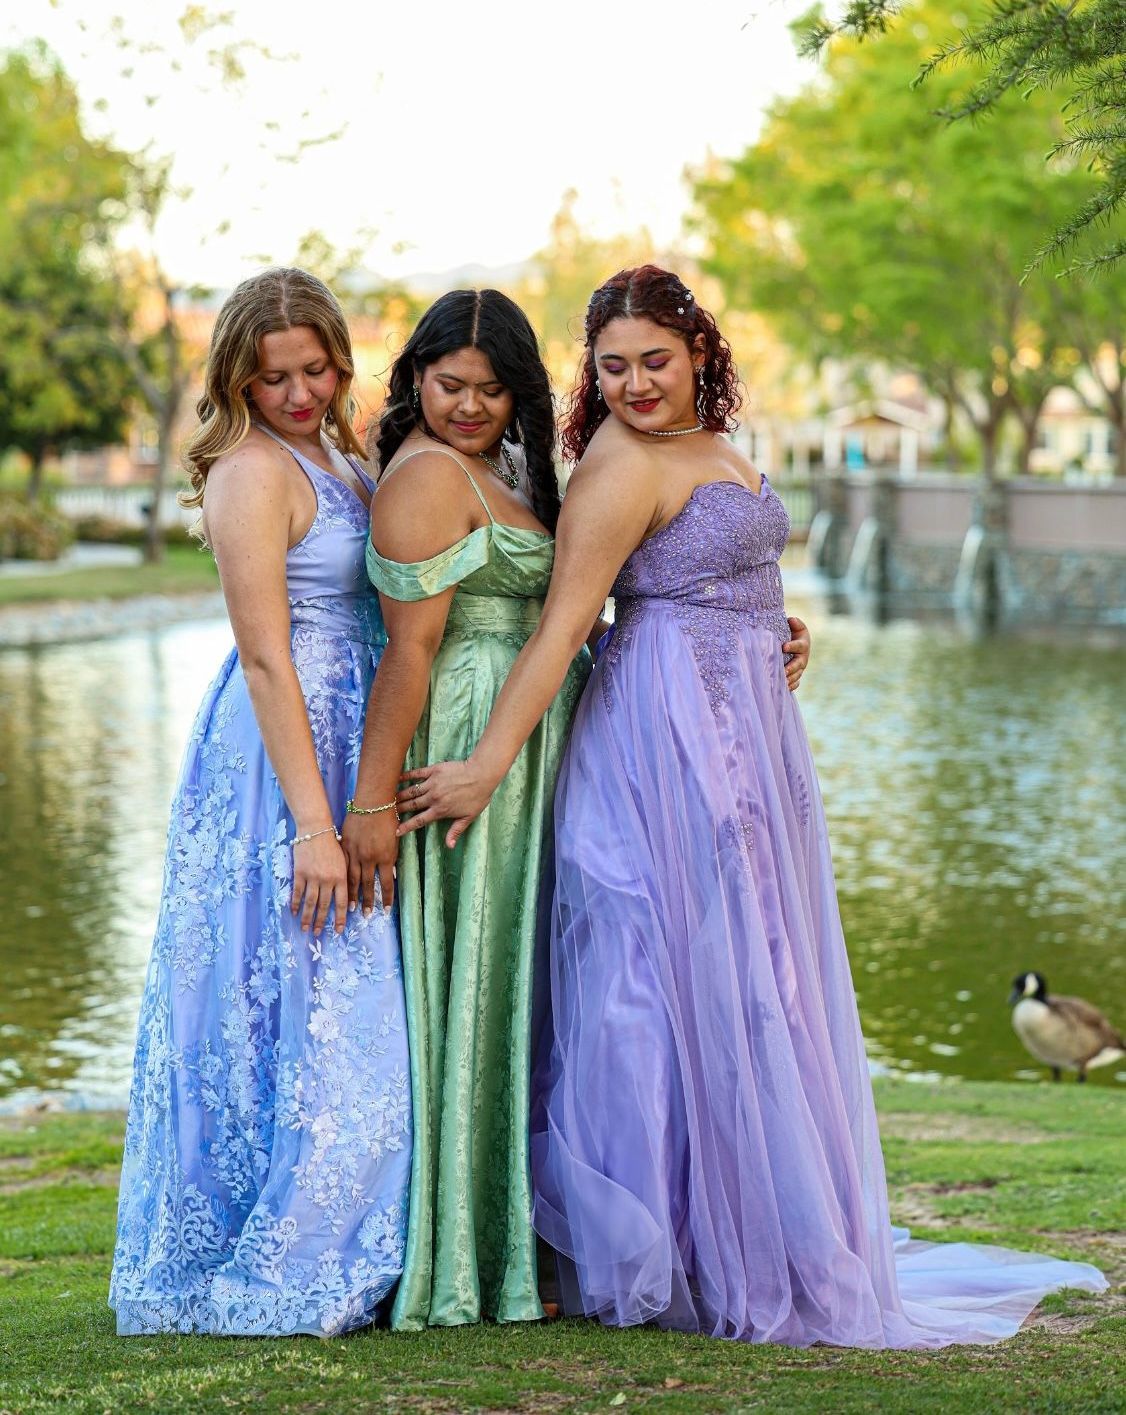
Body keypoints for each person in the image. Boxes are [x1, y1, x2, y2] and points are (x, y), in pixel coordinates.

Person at [397, 265, 1106, 1348]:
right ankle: (670, 1240)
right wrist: (488, 762)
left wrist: (782, 631)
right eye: (613, 366)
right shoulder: (617, 466)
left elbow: (726, 573)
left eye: (655, 360)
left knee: (755, 965)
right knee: (659, 977)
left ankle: (760, 1217)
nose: (635, 383)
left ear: (700, 352)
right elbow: (565, 626)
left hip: (747, 736)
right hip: (662, 737)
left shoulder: (714, 443)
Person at [109, 268, 411, 1337]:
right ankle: (280, 1238)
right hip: (281, 752)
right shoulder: (248, 471)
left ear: (340, 360)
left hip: (352, 729)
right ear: (237, 377)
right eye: (272, 376)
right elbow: (265, 654)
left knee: (331, 986)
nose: (296, 392)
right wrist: (314, 826)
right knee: (282, 975)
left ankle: (353, 1224)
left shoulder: (347, 455)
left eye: (314, 369)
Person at [342, 288, 595, 1329]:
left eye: (492, 389)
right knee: (483, 967)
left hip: (531, 736)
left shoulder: (506, 467)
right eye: (450, 384)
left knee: (526, 975)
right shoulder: (425, 477)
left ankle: (528, 1232)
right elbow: (408, 652)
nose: (469, 406)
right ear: (415, 377)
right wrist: (369, 802)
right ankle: (473, 1246)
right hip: (468, 734)